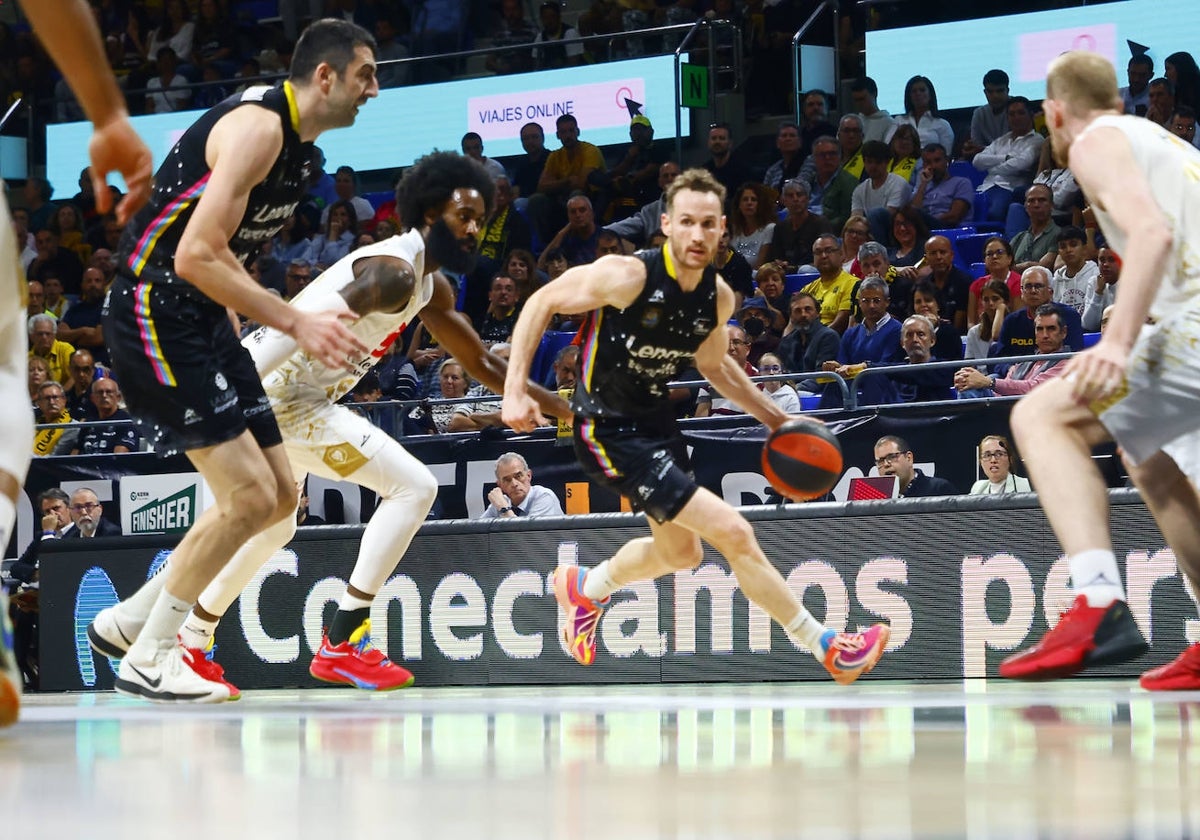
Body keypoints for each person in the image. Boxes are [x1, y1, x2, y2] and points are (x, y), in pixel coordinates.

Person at [88, 152, 571, 695]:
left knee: (274, 524)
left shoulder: (429, 287)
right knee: (414, 488)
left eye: (482, 218)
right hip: (278, 394)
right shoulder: (390, 272)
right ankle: (344, 639)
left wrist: (567, 409)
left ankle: (163, 633)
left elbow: (482, 363)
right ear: (429, 214)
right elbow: (287, 334)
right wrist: (223, 399)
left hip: (294, 399)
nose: (476, 229)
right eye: (464, 216)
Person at [85, 19, 379, 705]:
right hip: (153, 308)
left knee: (278, 501)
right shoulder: (260, 127)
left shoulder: (302, 156)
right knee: (246, 496)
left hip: (204, 317)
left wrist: (237, 311)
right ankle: (153, 657)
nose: (375, 88)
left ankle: (130, 621)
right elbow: (191, 253)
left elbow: (225, 249)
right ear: (326, 76)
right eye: (366, 73)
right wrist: (293, 318)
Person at [502, 167, 889, 683]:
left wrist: (777, 418)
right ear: (667, 224)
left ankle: (584, 588)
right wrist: (513, 388)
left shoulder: (718, 297)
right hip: (607, 428)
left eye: (709, 224)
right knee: (734, 530)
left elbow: (713, 366)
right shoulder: (628, 275)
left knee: (680, 551)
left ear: (722, 228)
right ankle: (827, 647)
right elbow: (540, 302)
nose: (698, 234)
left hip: (658, 427)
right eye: (687, 222)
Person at [998, 51, 1200, 688]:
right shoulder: (1154, 140)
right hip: (1184, 325)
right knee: (1147, 457)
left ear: (1055, 112)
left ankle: (1096, 603)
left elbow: (1152, 235)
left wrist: (1114, 341)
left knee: (1039, 415)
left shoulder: (1094, 142)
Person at [955, 303, 1069, 398]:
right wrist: (969, 378)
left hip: (1034, 413)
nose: (1044, 335)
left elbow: (1034, 388)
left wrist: (988, 382)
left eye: (1051, 329)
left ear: (1063, 332)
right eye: (1039, 329)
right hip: (1006, 409)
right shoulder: (1027, 361)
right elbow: (1004, 390)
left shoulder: (1067, 363)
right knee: (970, 383)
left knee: (989, 381)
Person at [973, 96, 1044, 222]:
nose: (1016, 118)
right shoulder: (1001, 140)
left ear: (1031, 115)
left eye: (1021, 113)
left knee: (993, 214)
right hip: (985, 187)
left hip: (1009, 188)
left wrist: (990, 168)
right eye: (1011, 114)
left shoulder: (1037, 140)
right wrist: (1005, 157)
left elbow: (1020, 164)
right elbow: (977, 161)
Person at [481, 453, 565, 518]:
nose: (514, 484)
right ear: (500, 485)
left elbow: (527, 538)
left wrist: (504, 509)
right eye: (507, 480)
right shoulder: (501, 502)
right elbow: (475, 534)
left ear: (529, 476)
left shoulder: (544, 496)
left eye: (518, 476)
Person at [70, 377, 140, 454]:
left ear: (118, 397)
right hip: (82, 465)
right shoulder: (89, 422)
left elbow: (120, 457)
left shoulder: (126, 422)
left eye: (109, 392)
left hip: (111, 465)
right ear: (93, 398)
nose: (104, 395)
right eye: (100, 392)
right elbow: (75, 452)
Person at [873, 434, 957, 497]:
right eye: (880, 461)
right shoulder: (874, 497)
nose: (886, 464)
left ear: (909, 458)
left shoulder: (939, 489)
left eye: (892, 457)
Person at [894, 75, 953, 151]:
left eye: (922, 90)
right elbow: (888, 147)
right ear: (909, 96)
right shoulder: (899, 120)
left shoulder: (942, 124)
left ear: (930, 94)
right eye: (914, 91)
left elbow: (946, 155)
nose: (918, 94)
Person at [962, 69, 1012, 156]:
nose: (995, 96)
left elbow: (1020, 147)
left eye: (999, 91)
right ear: (985, 92)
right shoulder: (979, 113)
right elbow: (975, 146)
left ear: (1007, 90)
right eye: (990, 92)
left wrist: (983, 149)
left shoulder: (1019, 110)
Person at [964, 278, 1010, 360]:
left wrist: (1000, 309)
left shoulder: (1016, 327)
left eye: (995, 299)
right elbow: (969, 364)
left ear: (1006, 302)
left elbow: (997, 336)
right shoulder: (974, 332)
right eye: (986, 300)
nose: (991, 303)